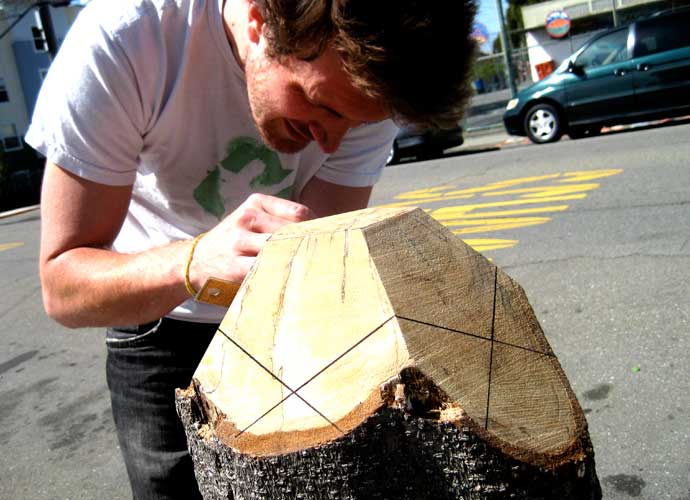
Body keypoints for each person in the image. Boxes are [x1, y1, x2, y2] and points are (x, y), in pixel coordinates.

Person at [26, 0, 476, 497]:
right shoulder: (127, 38)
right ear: (260, 19)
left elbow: (319, 259)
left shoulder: (367, 81)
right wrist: (193, 263)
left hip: (285, 326)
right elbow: (62, 284)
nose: (330, 144)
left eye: (358, 124)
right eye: (321, 106)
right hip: (156, 324)